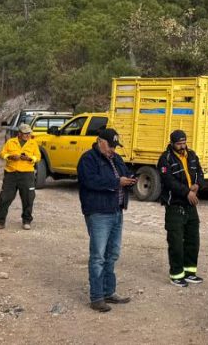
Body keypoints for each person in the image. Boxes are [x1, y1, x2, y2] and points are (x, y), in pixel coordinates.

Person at [77, 128, 137, 312]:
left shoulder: (115, 159)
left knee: (112, 254)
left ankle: (109, 292)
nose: (113, 149)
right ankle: (97, 297)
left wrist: (131, 179)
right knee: (98, 256)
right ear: (100, 141)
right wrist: (117, 182)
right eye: (110, 146)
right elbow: (90, 181)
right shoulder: (88, 159)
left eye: (115, 146)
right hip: (99, 212)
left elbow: (124, 173)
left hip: (116, 211)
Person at [158, 129, 205, 287]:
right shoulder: (165, 159)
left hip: (190, 205)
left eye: (184, 143)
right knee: (176, 242)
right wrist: (187, 193)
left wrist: (197, 185)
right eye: (179, 143)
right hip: (175, 206)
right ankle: (176, 275)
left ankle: (190, 272)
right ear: (172, 143)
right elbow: (168, 181)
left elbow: (199, 172)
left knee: (193, 240)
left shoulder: (191, 155)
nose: (182, 146)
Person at [0, 123, 41, 231]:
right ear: (19, 134)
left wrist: (29, 158)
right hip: (11, 174)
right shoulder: (10, 142)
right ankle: (0, 222)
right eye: (25, 134)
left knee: (28, 198)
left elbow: (38, 157)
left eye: (29, 133)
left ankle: (27, 221)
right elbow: (2, 154)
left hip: (27, 174)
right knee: (4, 198)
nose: (28, 135)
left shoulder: (33, 143)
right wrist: (10, 156)